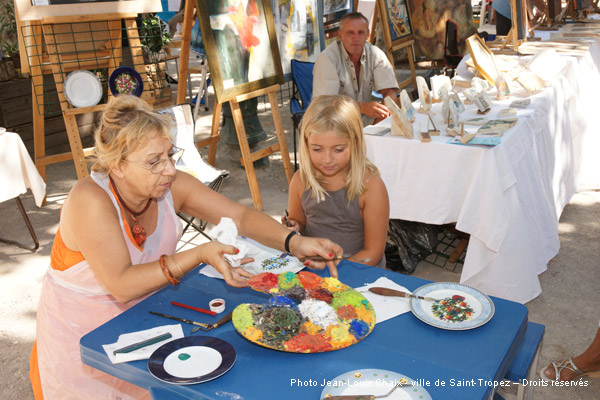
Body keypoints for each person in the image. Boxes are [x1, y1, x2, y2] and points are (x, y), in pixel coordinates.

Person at [29, 95, 343, 400]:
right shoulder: (90, 201)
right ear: (118, 166)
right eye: (154, 161)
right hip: (82, 333)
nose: (168, 169)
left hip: (144, 317)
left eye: (169, 155)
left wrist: (295, 242)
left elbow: (241, 216)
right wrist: (198, 254)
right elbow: (123, 284)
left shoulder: (170, 184)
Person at [283, 95, 389, 268]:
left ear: (355, 143)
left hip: (359, 272)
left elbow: (373, 253)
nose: (327, 159)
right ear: (306, 143)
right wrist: (294, 226)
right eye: (317, 149)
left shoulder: (371, 186)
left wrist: (335, 272)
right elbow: (298, 222)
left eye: (338, 149)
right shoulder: (301, 180)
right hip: (314, 268)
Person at [312, 12, 399, 125]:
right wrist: (362, 107)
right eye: (350, 33)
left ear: (368, 35)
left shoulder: (376, 55)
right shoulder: (328, 59)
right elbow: (326, 105)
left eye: (360, 33)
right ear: (340, 35)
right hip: (330, 123)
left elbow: (390, 92)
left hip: (362, 122)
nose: (355, 38)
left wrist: (381, 120)